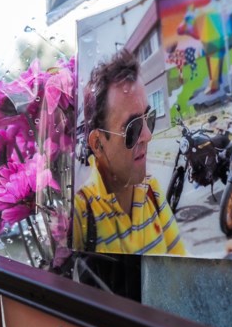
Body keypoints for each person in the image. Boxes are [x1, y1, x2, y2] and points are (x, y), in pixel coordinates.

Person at [72, 49, 186, 256]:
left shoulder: (153, 192)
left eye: (148, 118)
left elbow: (182, 268)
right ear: (98, 144)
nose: (148, 135)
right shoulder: (81, 214)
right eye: (133, 127)